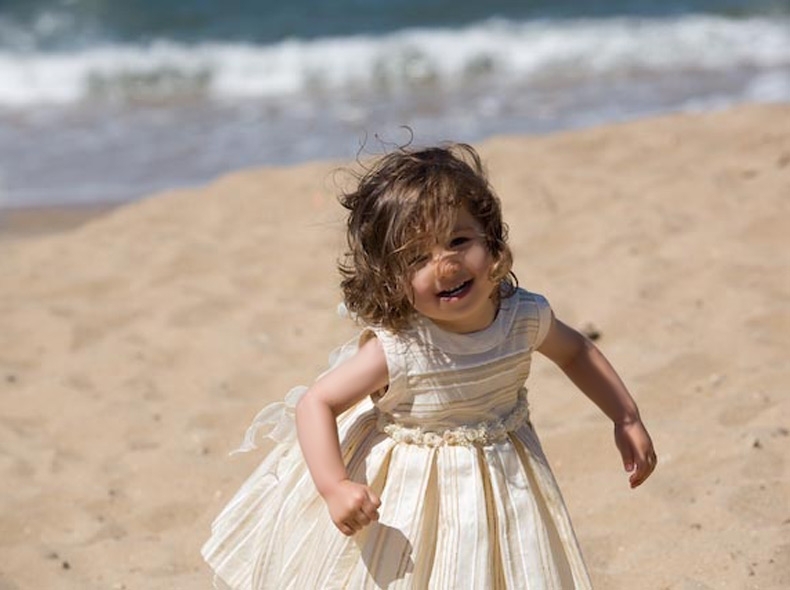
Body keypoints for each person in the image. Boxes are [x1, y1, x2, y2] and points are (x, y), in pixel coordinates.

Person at [202, 143, 657, 589]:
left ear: (491, 240)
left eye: (459, 240)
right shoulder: (399, 348)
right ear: (389, 279)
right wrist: (335, 486)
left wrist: (625, 415)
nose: (446, 264)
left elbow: (575, 351)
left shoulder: (523, 318)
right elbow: (316, 403)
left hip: (506, 480)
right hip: (410, 494)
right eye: (417, 258)